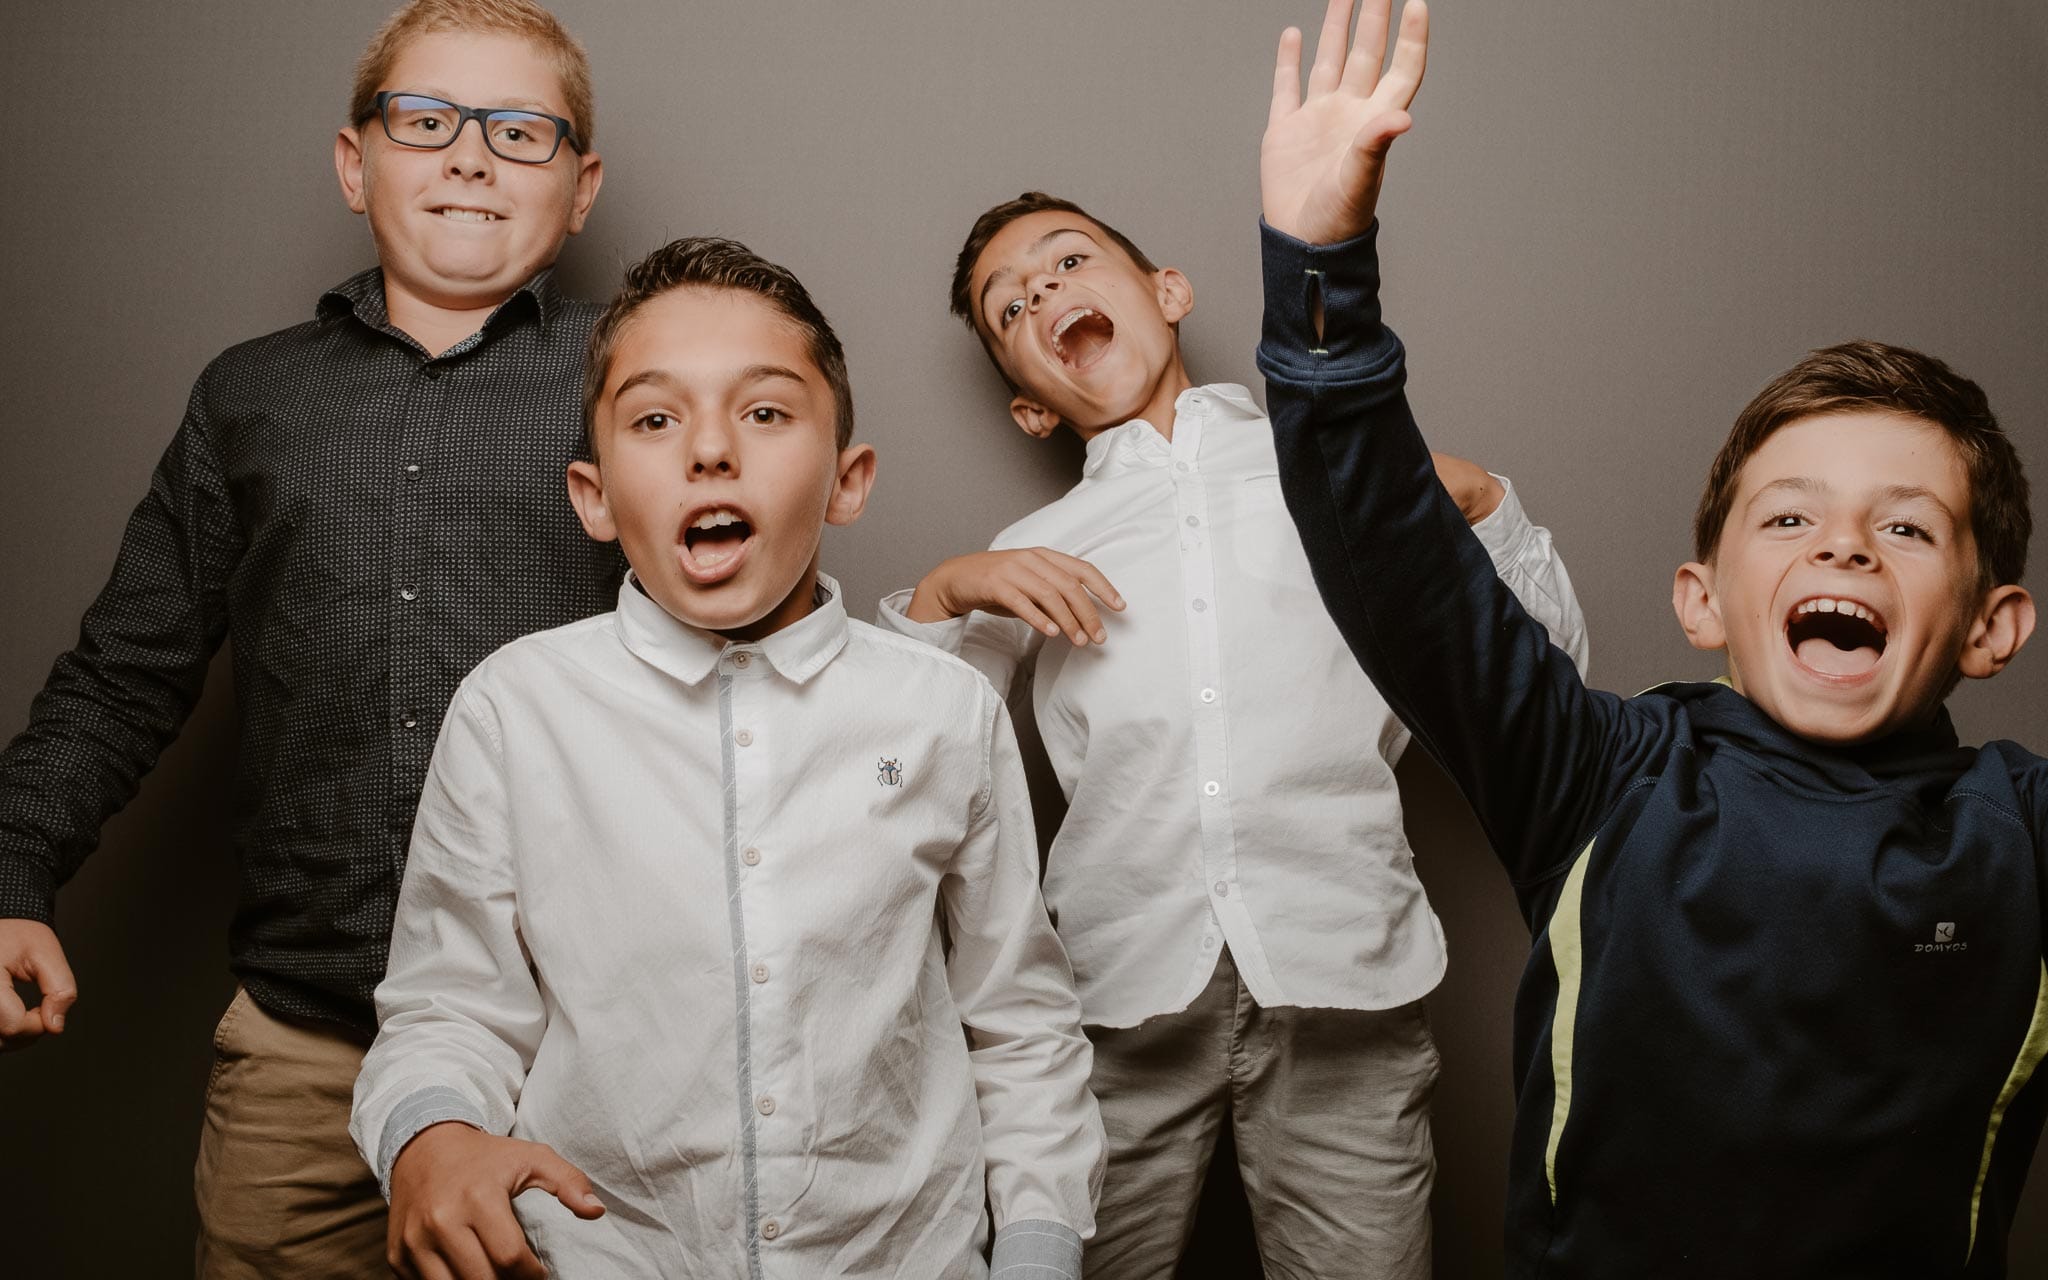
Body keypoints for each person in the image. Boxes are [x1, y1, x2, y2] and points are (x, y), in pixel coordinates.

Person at [1256, 0, 2048, 1273]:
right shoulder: (1601, 776)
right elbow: (1391, 553)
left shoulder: (2024, 837)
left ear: (1988, 626)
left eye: (1902, 529)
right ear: (1699, 600)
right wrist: (1313, 262)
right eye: (1788, 517)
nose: (1841, 546)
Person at [875, 17, 1585, 1277]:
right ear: (1029, 398)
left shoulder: (1335, 470)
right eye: (1010, 306)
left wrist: (1486, 508)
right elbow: (910, 767)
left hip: (1344, 976)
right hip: (1110, 1003)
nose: (1043, 294)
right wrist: (946, 587)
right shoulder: (1033, 544)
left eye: (1065, 262)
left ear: (1165, 293)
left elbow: (1548, 672)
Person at [351, 236, 1105, 1279]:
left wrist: (1035, 1246)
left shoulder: (942, 711)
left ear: (847, 479)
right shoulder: (514, 711)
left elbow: (1018, 1022)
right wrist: (431, 1132)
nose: (710, 450)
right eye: (655, 419)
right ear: (594, 495)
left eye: (763, 411)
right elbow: (448, 1005)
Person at [0, 1, 614, 1272]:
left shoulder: (638, 379)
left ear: (581, 186)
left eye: (519, 130)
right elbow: (127, 671)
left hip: (591, 1048)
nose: (468, 157)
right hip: (304, 1048)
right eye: (426, 119)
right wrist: (8, 868)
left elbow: (753, 632)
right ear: (355, 163)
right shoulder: (249, 393)